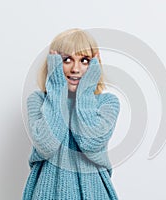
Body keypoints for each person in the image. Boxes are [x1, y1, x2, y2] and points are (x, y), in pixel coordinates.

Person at [22, 28, 120, 200]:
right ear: (54, 64)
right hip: (46, 193)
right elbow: (47, 144)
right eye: (66, 60)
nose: (76, 68)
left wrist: (86, 90)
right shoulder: (38, 101)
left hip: (95, 194)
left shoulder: (107, 103)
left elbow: (90, 142)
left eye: (84, 60)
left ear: (95, 65)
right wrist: (57, 88)